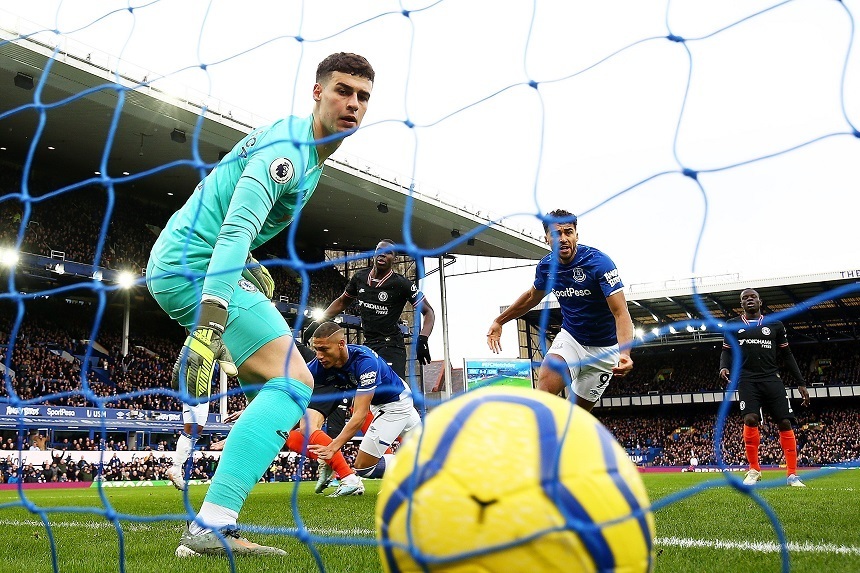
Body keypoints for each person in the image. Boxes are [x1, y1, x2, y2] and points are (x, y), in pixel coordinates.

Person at [145, 52, 375, 557]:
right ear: (317, 92)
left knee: (275, 395)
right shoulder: (288, 152)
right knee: (296, 381)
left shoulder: (311, 154)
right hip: (193, 270)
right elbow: (234, 227)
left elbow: (227, 213)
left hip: (189, 262)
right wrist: (212, 319)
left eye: (361, 96)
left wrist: (248, 261)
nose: (352, 103)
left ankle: (215, 519)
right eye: (342, 91)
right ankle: (212, 523)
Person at [486, 209, 633, 412]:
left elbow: (621, 313)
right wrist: (499, 320)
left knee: (575, 417)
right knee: (543, 394)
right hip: (571, 340)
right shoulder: (547, 267)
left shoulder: (600, 264)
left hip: (604, 351)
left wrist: (624, 353)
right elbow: (531, 297)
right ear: (547, 238)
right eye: (556, 234)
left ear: (576, 235)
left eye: (568, 232)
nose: (563, 239)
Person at [306, 321, 420, 488]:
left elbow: (359, 415)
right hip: (386, 400)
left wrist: (333, 447)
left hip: (395, 404)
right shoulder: (320, 364)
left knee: (364, 467)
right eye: (316, 349)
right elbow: (296, 383)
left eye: (324, 349)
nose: (319, 355)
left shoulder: (365, 361)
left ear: (341, 344)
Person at [719, 288, 810, 487]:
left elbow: (787, 355)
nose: (749, 300)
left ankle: (792, 475)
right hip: (747, 379)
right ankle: (754, 470)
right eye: (745, 298)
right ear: (741, 304)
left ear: (761, 302)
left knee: (785, 422)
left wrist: (800, 383)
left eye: (752, 297)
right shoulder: (732, 325)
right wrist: (723, 367)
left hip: (771, 378)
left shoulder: (775, 325)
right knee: (750, 418)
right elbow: (726, 351)